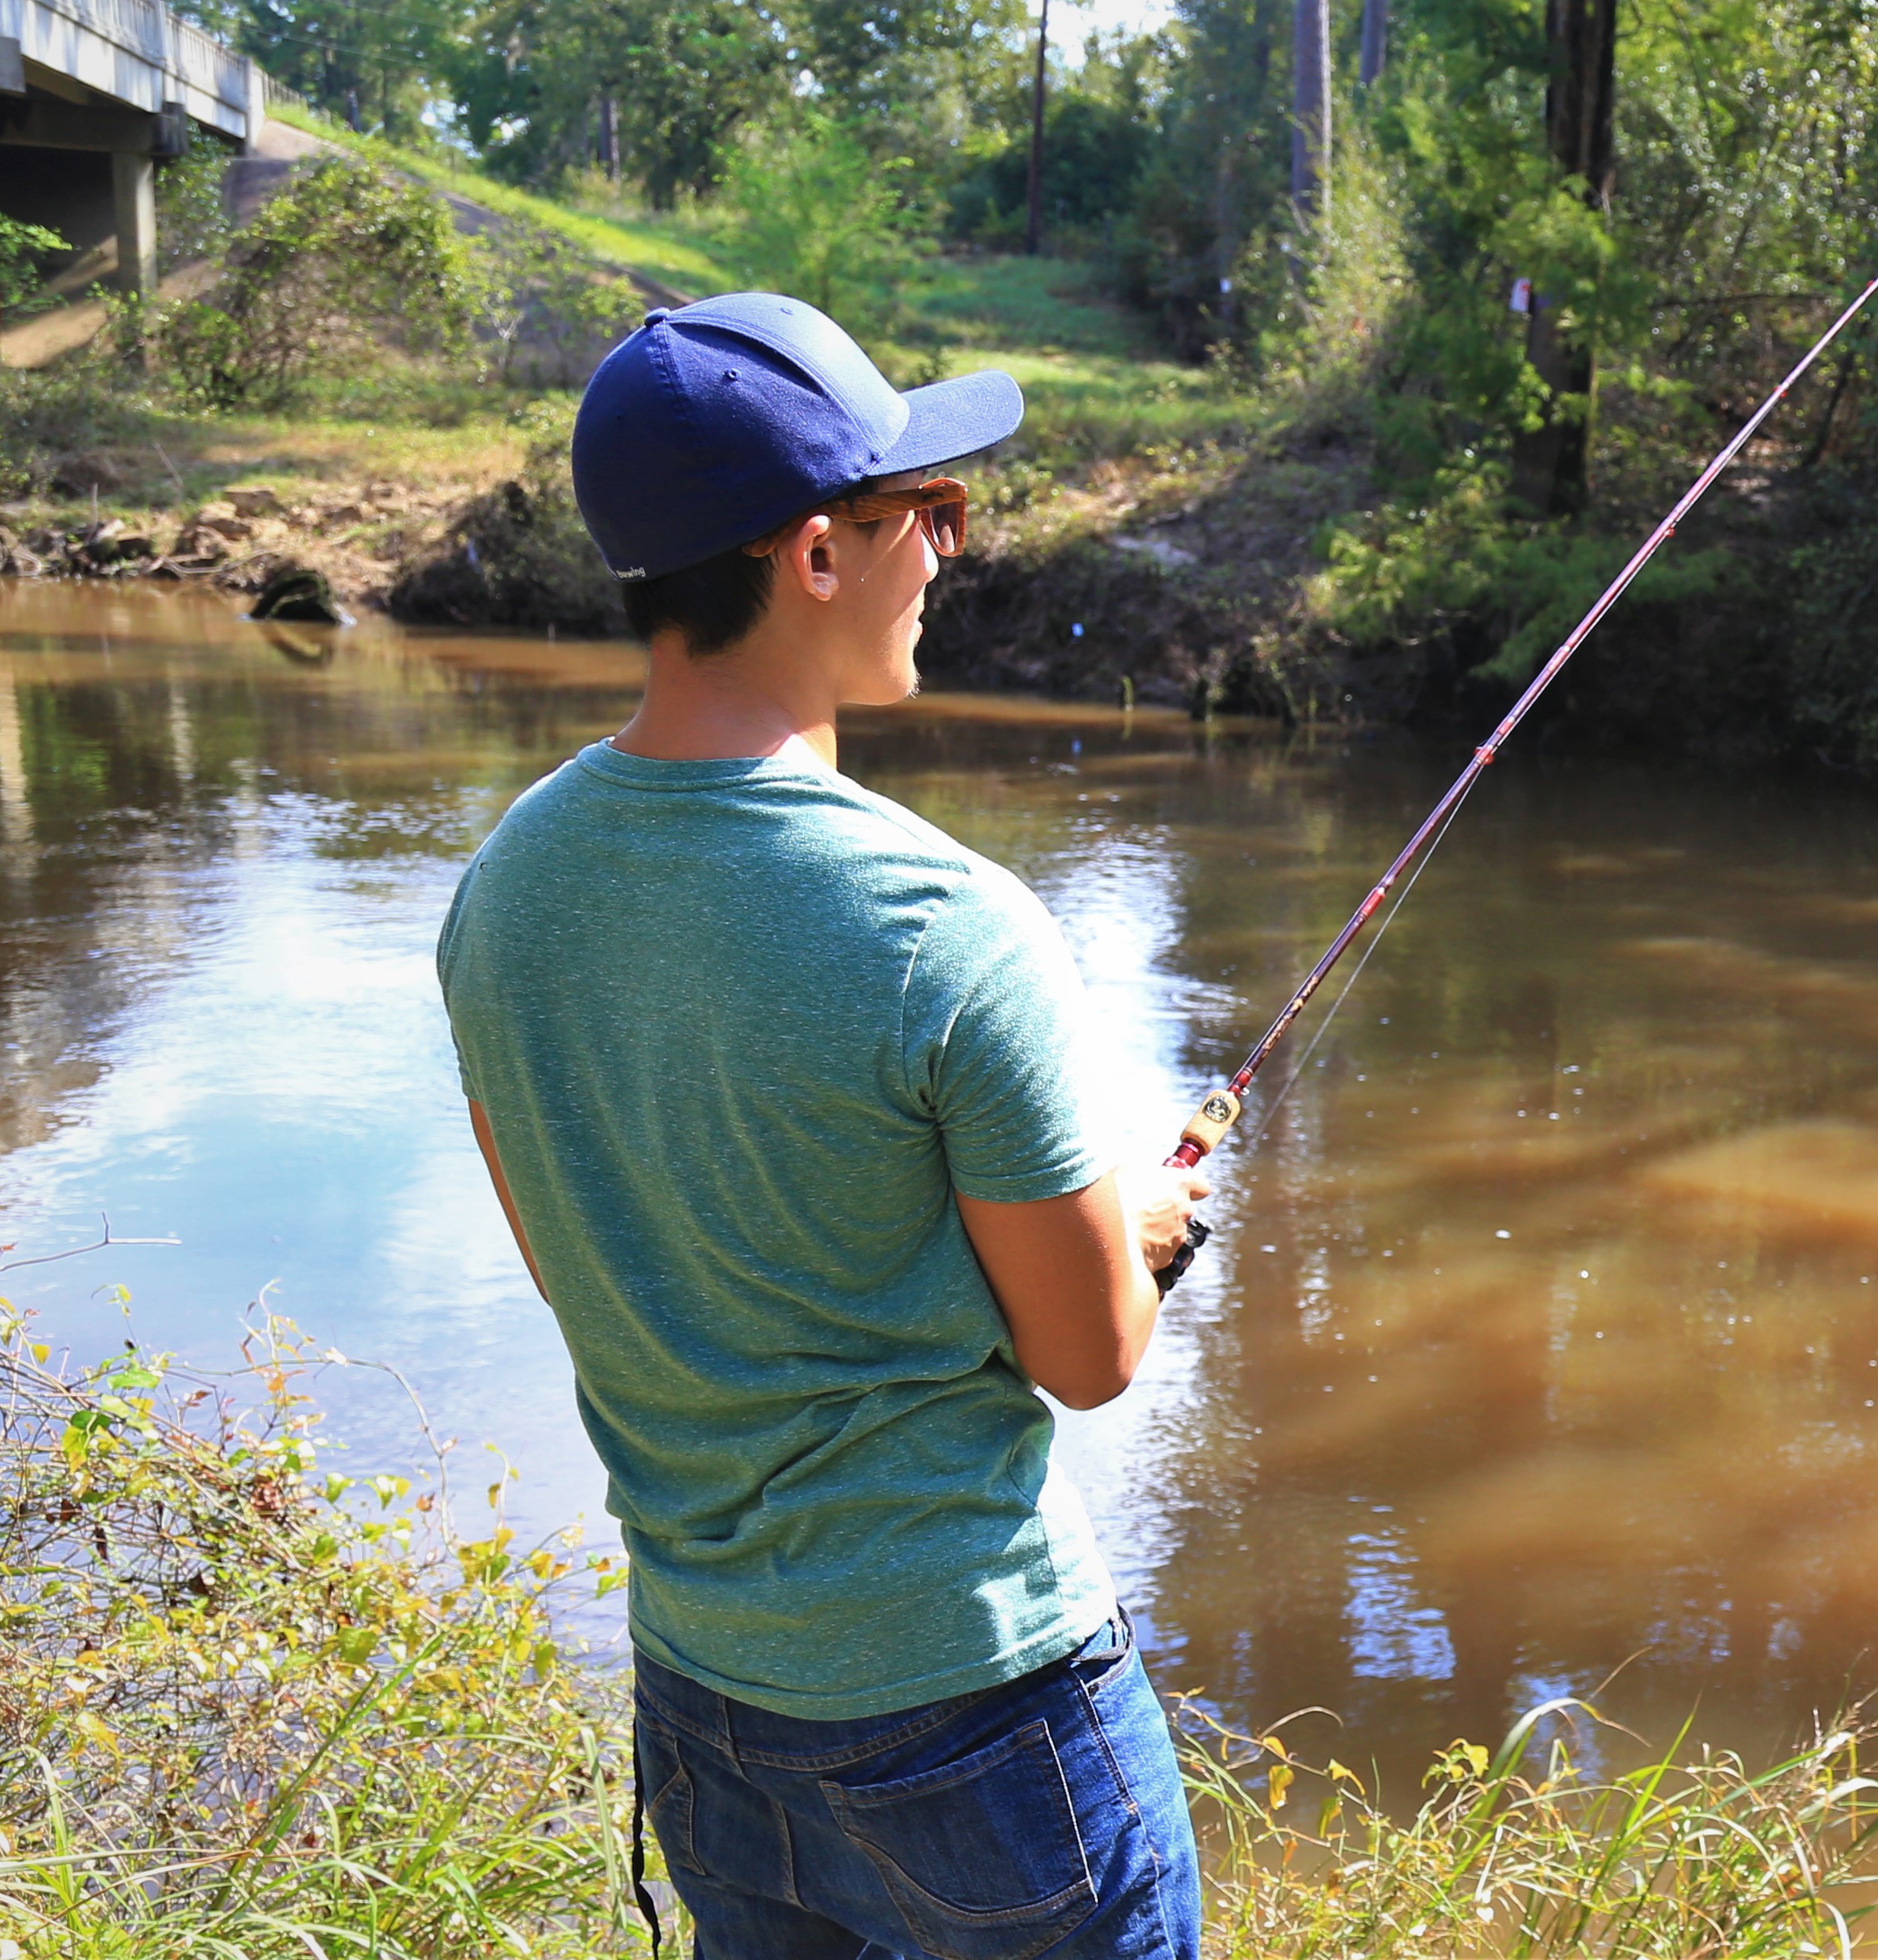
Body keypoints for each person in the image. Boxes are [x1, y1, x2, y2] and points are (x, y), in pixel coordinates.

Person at [437, 292, 1210, 1960]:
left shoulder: (501, 893)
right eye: (920, 511)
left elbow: (608, 1274)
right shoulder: (948, 925)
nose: (948, 548)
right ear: (812, 552)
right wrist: (1141, 1230)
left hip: (709, 1711)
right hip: (984, 1716)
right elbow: (1087, 1357)